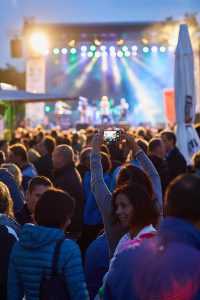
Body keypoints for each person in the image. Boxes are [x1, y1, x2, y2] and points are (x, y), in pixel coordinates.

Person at [104, 174, 200, 300]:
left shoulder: (123, 258)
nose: (118, 212)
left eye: (124, 206)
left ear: (165, 209)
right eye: (118, 207)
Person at [90, 129, 162, 258]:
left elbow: (97, 181)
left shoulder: (114, 208)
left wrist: (95, 149)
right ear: (145, 181)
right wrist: (134, 146)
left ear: (120, 186)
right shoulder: (154, 203)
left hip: (120, 271)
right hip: (154, 269)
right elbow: (154, 176)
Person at [7, 188, 89, 300]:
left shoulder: (19, 247)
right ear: (61, 217)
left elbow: (13, 293)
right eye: (68, 216)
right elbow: (79, 294)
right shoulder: (68, 249)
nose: (69, 221)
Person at [52, 144, 84, 240]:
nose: (52, 159)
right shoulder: (68, 173)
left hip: (68, 230)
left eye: (54, 156)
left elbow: (63, 206)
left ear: (61, 158)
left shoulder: (66, 179)